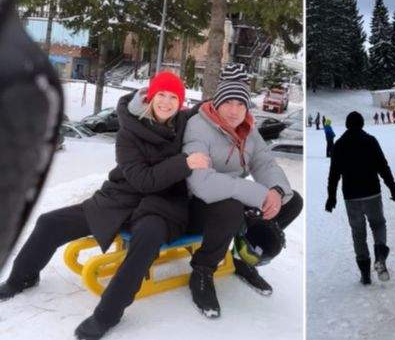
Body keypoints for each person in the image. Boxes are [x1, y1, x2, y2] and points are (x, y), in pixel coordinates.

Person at [0, 72, 209, 339]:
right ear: (149, 96)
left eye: (173, 97)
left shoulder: (184, 124)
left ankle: (107, 315)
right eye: (161, 95)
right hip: (121, 197)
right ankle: (22, 277)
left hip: (163, 204)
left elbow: (211, 110)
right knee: (50, 222)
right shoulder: (129, 131)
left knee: (147, 237)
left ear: (180, 102)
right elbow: (141, 180)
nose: (166, 102)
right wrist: (184, 163)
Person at [183, 64, 303, 318]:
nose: (234, 110)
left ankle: (241, 254)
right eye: (228, 102)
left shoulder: (248, 129)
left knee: (292, 201)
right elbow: (201, 182)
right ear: (217, 102)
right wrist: (256, 195)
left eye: (241, 103)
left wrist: (276, 192)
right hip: (196, 204)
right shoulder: (198, 126)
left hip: (235, 198)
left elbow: (264, 163)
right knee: (231, 209)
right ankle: (203, 270)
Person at [326, 111, 395, 285]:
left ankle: (365, 274)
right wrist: (393, 189)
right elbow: (383, 167)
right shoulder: (370, 141)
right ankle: (380, 256)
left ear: (346, 125)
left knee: (358, 234)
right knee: (378, 224)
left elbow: (333, 174)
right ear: (362, 124)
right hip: (372, 192)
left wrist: (331, 197)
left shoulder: (339, 145)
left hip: (351, 197)